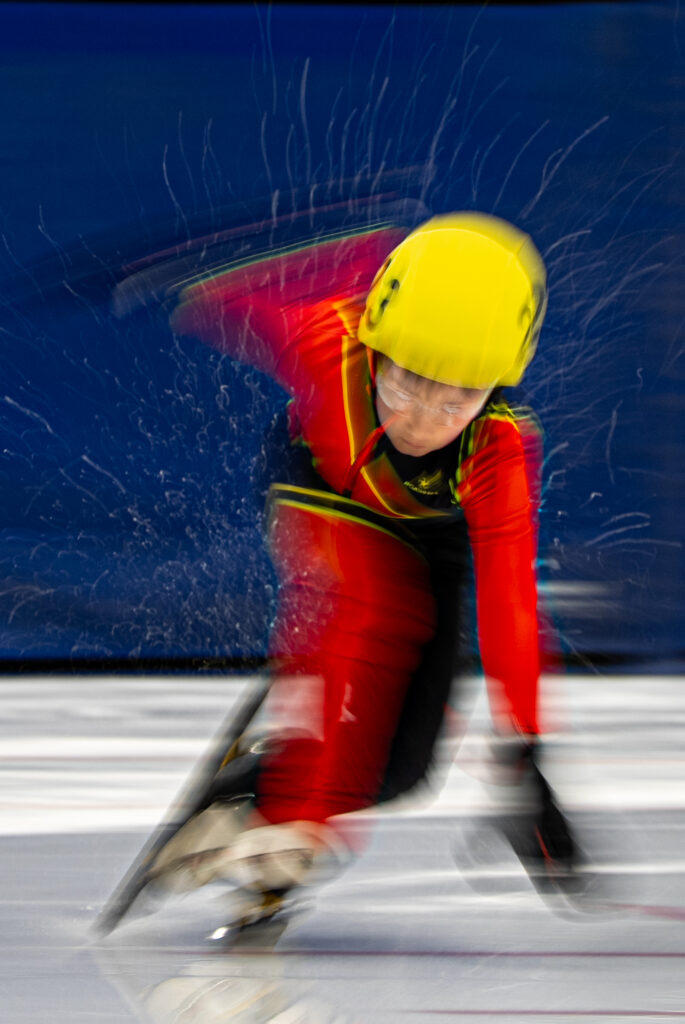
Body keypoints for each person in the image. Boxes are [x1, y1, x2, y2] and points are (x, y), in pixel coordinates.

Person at [169, 212, 577, 918]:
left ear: (494, 391)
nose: (423, 416)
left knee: (406, 769)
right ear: (373, 346)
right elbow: (250, 302)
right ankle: (297, 809)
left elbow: (508, 604)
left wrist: (524, 752)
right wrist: (199, 290)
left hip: (428, 529)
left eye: (458, 398)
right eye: (407, 381)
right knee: (374, 608)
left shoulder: (498, 453)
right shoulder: (326, 341)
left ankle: (255, 791)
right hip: (325, 478)